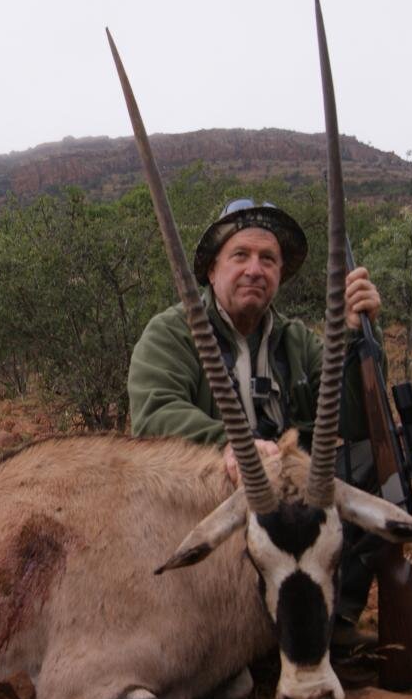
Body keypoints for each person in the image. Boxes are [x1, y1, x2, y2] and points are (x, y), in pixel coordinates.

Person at [127, 198, 386, 648]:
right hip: (212, 499)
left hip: (286, 505)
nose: (255, 269)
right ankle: (211, 637)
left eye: (269, 259)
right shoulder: (170, 333)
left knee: (376, 461)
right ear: (212, 270)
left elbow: (356, 418)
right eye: (240, 255)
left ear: (280, 275)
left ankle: (332, 620)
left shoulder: (297, 341)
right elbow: (154, 413)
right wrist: (232, 445)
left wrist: (358, 337)